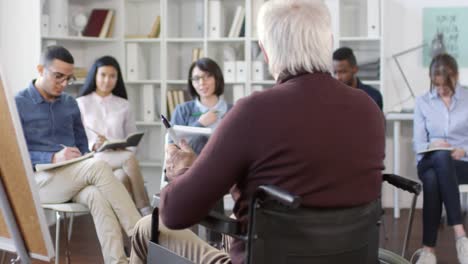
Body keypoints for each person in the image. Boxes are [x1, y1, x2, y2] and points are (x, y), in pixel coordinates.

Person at [129, 1, 385, 263]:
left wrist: (181, 173)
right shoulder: (369, 109)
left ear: (265, 51)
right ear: (328, 42)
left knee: (145, 228)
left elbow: (175, 213)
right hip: (350, 257)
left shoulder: (252, 112)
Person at [15, 45, 141, 264]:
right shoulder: (18, 103)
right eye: (58, 77)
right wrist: (53, 158)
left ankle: (118, 261)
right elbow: (13, 154)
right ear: (40, 69)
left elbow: (82, 144)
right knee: (98, 167)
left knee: (97, 196)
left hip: (71, 177)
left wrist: (81, 155)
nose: (64, 84)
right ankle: (143, 237)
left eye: (69, 79)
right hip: (39, 181)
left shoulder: (70, 104)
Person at [76, 56, 152, 216]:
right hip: (94, 158)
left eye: (112, 76)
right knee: (129, 158)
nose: (107, 80)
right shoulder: (81, 103)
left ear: (117, 79)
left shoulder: (124, 105)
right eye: (103, 75)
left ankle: (131, 232)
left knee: (122, 179)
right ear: (95, 76)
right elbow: (77, 138)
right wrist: (94, 144)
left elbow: (132, 139)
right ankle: (145, 210)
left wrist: (120, 144)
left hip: (120, 160)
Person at [413, 53, 468, 264]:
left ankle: (428, 251)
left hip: (461, 163)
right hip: (428, 160)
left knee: (434, 179)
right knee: (440, 156)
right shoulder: (422, 102)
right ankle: (460, 235)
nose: (441, 90)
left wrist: (463, 150)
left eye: (446, 85)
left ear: (455, 77)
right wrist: (433, 146)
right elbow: (418, 145)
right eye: (437, 85)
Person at [171, 57, 232, 155]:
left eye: (207, 76)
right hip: (192, 169)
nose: (201, 83)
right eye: (196, 78)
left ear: (217, 78)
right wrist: (200, 124)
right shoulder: (182, 110)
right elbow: (173, 149)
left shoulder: (234, 111)